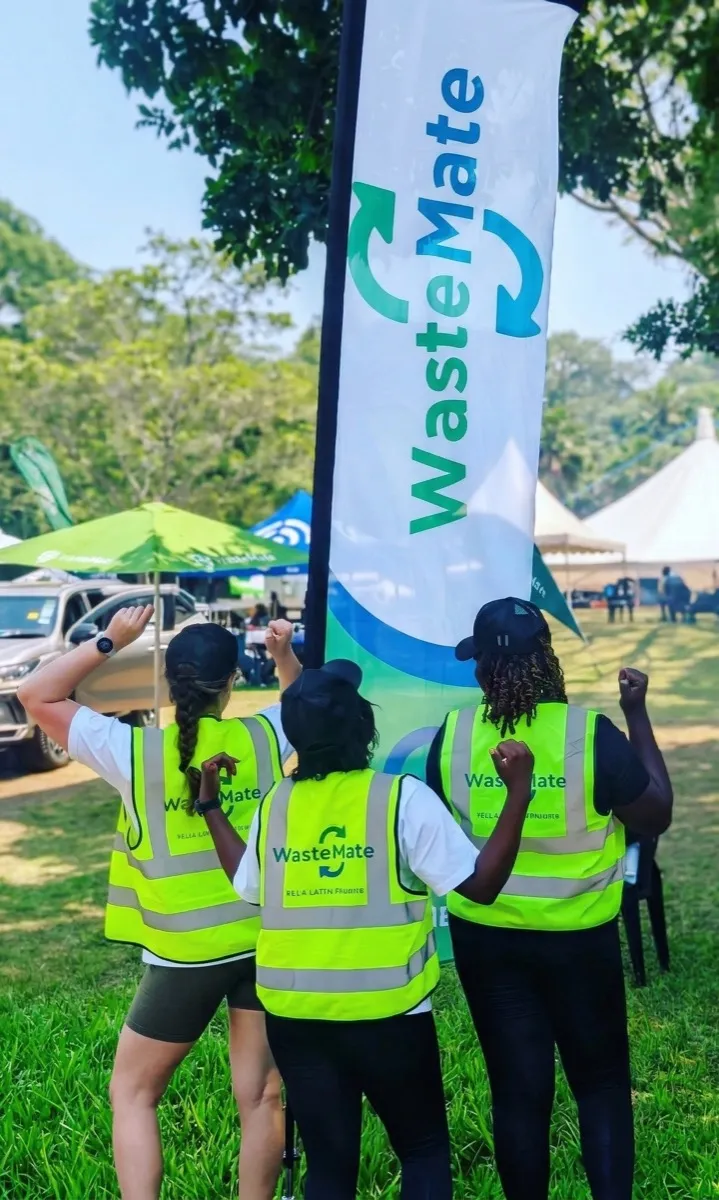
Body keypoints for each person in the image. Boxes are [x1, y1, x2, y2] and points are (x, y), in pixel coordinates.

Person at [194, 660, 537, 1200]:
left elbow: (246, 882)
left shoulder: (275, 804)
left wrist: (210, 805)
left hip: (296, 1016)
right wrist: (519, 793)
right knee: (422, 1152)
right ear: (363, 728)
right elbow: (482, 886)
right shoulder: (400, 798)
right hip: (389, 1017)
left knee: (329, 1170)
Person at [18, 610, 302, 1200]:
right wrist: (282, 658)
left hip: (185, 954)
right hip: (262, 941)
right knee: (261, 1095)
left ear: (168, 681)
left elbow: (34, 693)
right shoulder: (266, 735)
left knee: (134, 1093)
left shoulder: (130, 749)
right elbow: (305, 702)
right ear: (232, 684)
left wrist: (111, 641)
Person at [426, 597, 673, 1200]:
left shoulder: (454, 734)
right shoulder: (589, 734)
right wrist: (636, 715)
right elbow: (656, 814)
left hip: (487, 942)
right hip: (578, 942)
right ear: (549, 663)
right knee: (602, 1086)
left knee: (517, 1091)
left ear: (483, 668)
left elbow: (441, 828)